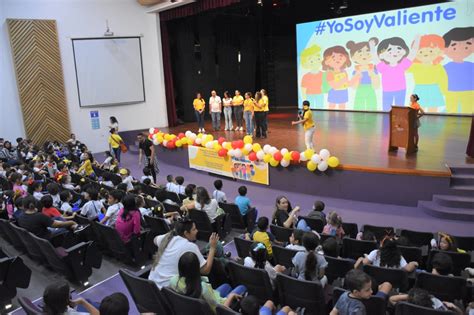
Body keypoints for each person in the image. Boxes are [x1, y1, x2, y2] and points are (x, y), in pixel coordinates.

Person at [148, 218, 219, 288]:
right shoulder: (190, 247)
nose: (197, 231)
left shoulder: (167, 238)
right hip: (169, 289)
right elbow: (206, 270)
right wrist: (212, 247)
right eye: (194, 229)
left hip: (152, 286)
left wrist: (173, 232)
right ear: (186, 233)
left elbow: (155, 240)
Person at [169, 252, 246, 312]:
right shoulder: (203, 288)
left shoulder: (173, 280)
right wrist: (231, 296)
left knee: (226, 286)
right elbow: (220, 309)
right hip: (221, 307)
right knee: (242, 287)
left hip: (205, 304)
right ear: (197, 268)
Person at [389, 288, 463, 314]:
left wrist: (409, 296)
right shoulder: (438, 309)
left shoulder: (405, 307)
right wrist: (454, 308)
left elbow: (391, 299)